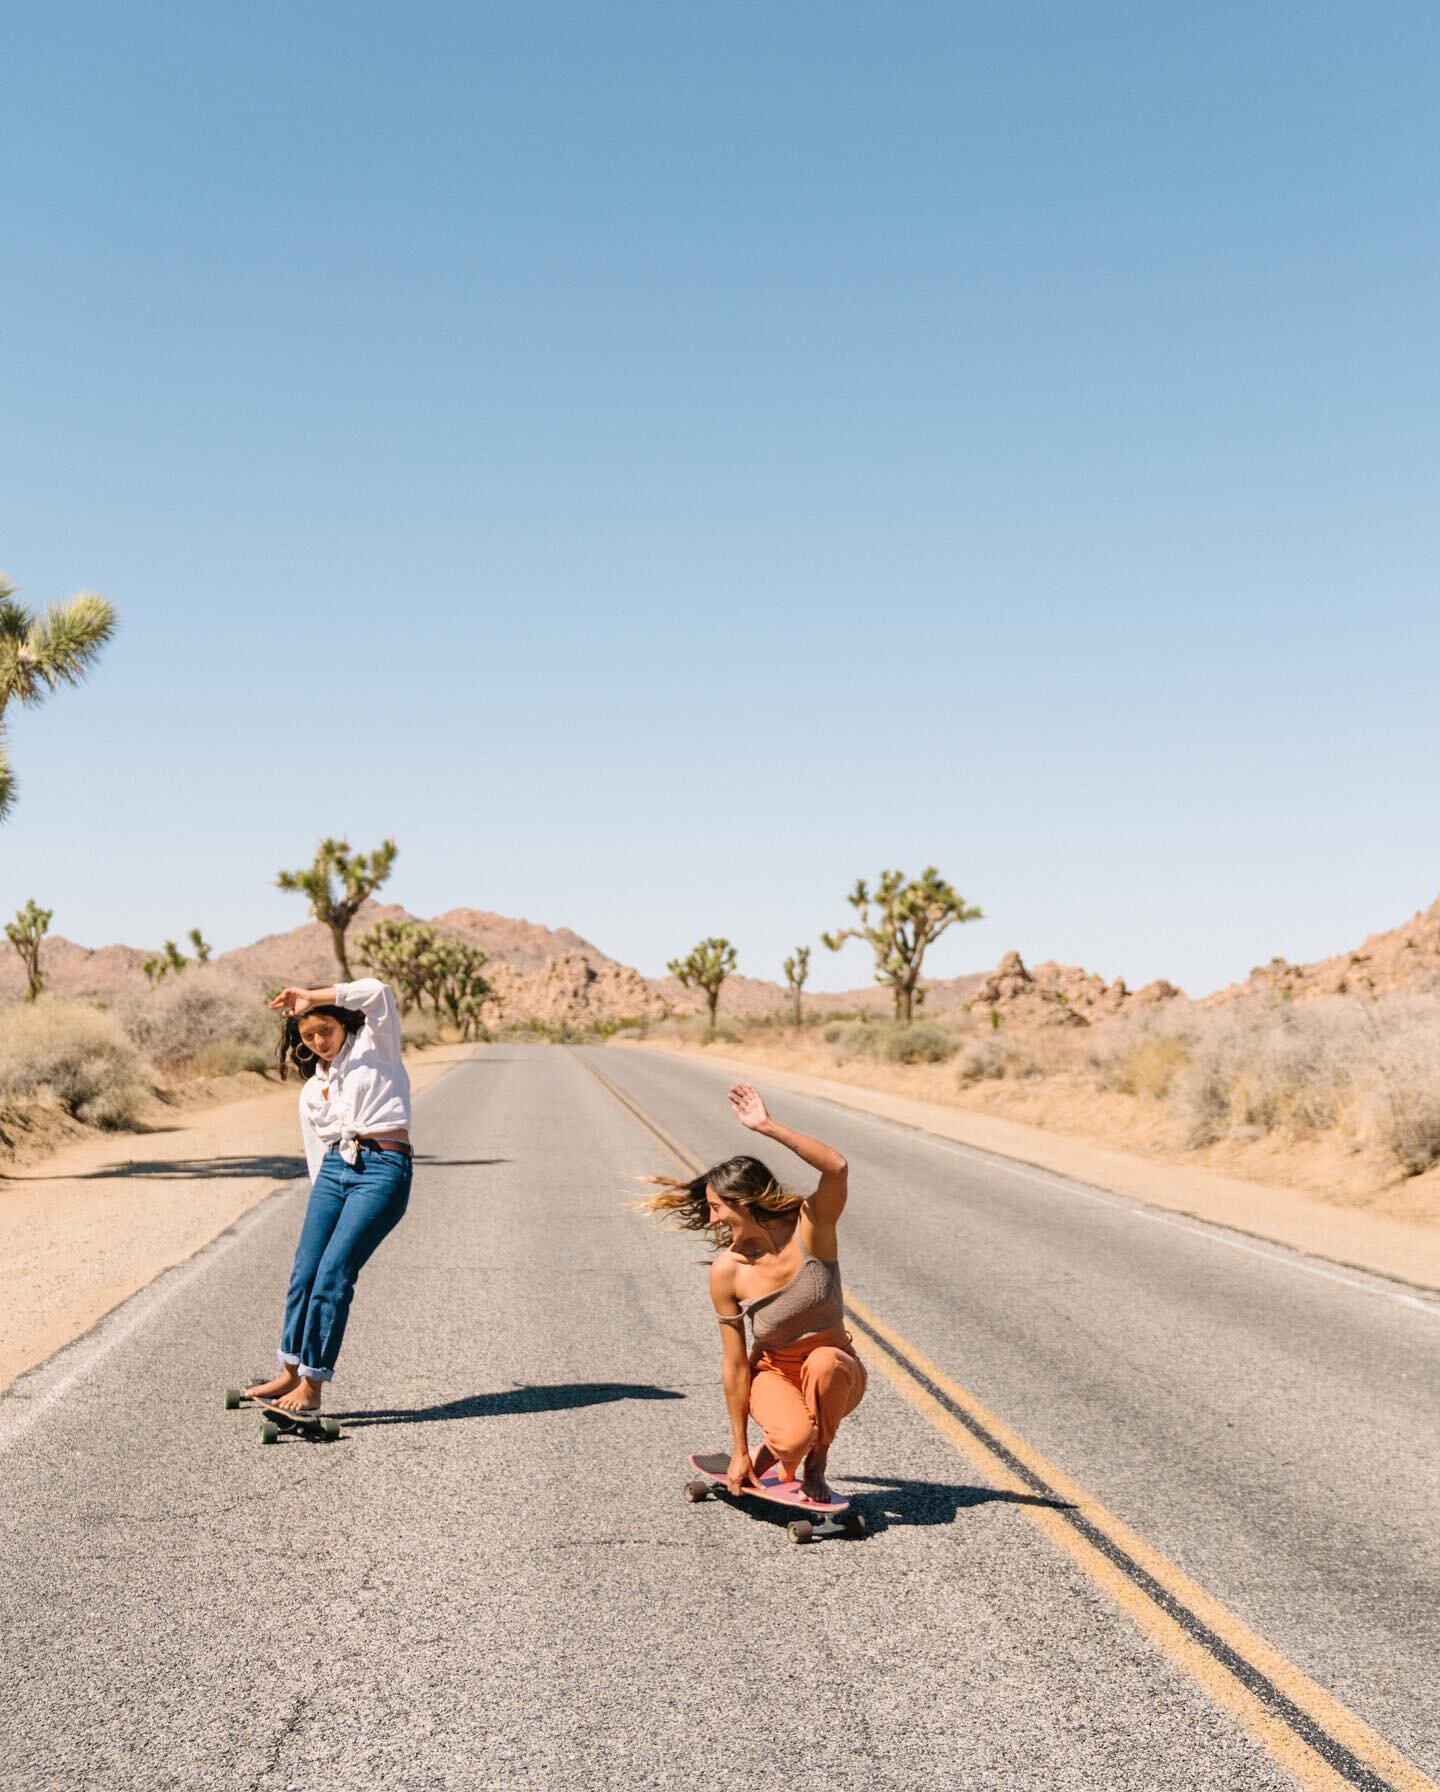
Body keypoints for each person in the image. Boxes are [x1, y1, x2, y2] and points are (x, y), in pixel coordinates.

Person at [645, 1082, 865, 1504]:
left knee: (824, 1362)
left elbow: (836, 1167)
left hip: (837, 1373)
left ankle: (816, 1464)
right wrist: (740, 1450)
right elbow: (735, 1366)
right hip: (774, 1374)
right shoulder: (728, 1272)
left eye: (717, 1207)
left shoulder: (811, 1229)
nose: (711, 1220)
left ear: (744, 1201)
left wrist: (766, 1126)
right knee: (792, 1435)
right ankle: (779, 1451)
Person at [243, 978, 413, 1414]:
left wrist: (312, 997)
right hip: (335, 1172)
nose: (319, 1041)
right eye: (308, 1036)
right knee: (306, 1270)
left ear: (343, 1024)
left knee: (335, 1273)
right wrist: (323, 1201)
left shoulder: (377, 1046)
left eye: (326, 1030)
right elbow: (317, 1152)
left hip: (382, 1169)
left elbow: (377, 992)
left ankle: (313, 1386)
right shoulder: (312, 1089)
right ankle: (289, 1369)